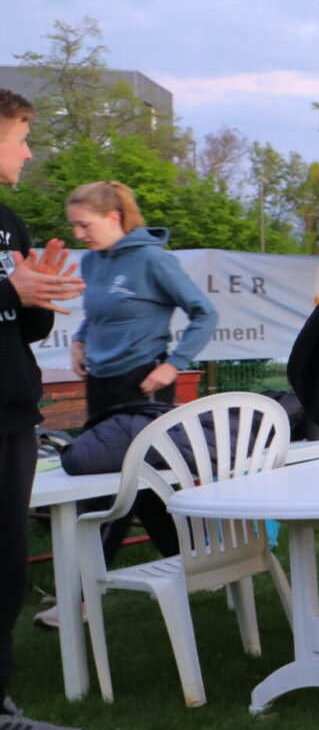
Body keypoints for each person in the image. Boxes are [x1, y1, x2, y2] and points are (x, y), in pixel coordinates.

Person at [67, 181, 218, 561]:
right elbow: (97, 311)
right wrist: (80, 340)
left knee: (117, 484)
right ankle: (195, 562)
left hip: (143, 385)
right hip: (100, 383)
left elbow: (205, 313)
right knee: (141, 486)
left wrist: (173, 365)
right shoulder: (91, 259)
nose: (78, 234)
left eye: (85, 225)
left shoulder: (153, 260)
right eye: (74, 225)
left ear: (113, 218)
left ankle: (84, 590)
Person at [0, 87, 86, 730]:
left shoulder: (10, 224)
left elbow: (19, 326)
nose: (29, 152)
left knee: (6, 569)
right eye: (21, 136)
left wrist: (40, 298)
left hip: (13, 415)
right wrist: (11, 289)